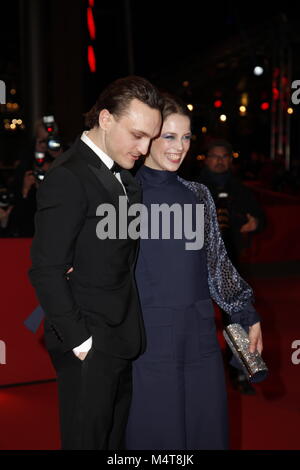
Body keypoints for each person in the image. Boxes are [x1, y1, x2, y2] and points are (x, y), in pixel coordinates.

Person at [28, 76, 162, 450]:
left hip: (119, 333)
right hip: (90, 341)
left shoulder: (119, 173)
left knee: (113, 442)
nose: (144, 147)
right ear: (105, 119)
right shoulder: (69, 177)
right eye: (137, 134)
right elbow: (46, 269)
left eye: (150, 137)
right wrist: (82, 343)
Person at [125, 94, 263, 450]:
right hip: (146, 340)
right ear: (149, 137)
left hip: (199, 337)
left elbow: (217, 264)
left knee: (206, 431)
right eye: (169, 136)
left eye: (186, 137)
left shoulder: (198, 195)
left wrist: (245, 313)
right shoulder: (124, 193)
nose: (179, 147)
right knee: (155, 438)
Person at [198, 139, 266, 394]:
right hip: (196, 265)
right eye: (215, 156)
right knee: (198, 319)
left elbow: (259, 218)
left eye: (224, 156)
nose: (219, 161)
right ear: (206, 158)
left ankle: (240, 370)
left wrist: (254, 223)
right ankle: (203, 374)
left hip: (231, 265)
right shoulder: (192, 187)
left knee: (236, 319)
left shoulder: (240, 190)